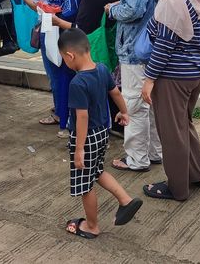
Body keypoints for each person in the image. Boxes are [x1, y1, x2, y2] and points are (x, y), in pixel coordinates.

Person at [140, 0, 200, 201]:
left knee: (172, 133)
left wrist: (149, 79)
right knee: (184, 124)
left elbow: (164, 45)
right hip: (196, 71)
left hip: (174, 76)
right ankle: (198, 174)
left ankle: (177, 187)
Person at [58, 28, 143, 239]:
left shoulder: (78, 83)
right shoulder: (102, 69)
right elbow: (115, 93)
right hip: (102, 133)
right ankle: (125, 200)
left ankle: (92, 226)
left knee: (85, 185)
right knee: (97, 171)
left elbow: (82, 117)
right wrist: (124, 112)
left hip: (85, 138)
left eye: (64, 59)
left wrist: (79, 149)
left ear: (70, 55)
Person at [104, 0, 163, 173]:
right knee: (150, 105)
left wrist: (112, 9)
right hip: (150, 48)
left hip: (134, 48)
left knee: (134, 106)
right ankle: (154, 152)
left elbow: (131, 11)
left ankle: (136, 159)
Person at [12, 0, 71, 135]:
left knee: (54, 73)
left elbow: (37, 5)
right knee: (63, 71)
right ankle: (65, 110)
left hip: (50, 27)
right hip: (64, 26)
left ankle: (59, 113)